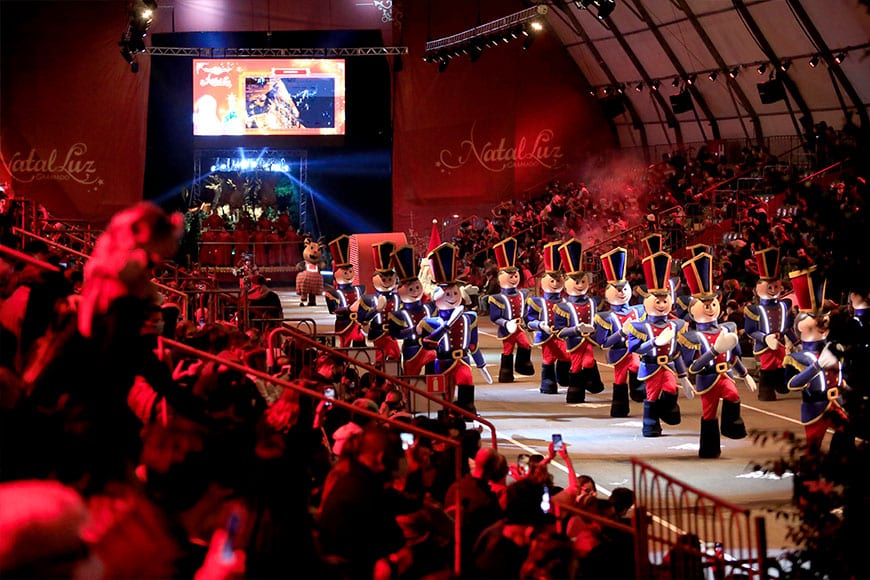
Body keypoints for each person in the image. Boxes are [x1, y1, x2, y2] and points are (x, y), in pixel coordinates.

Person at [679, 253, 757, 458]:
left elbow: (733, 357)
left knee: (733, 395)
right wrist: (713, 351)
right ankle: (709, 448)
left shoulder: (727, 328)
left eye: (713, 304)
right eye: (706, 306)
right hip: (706, 379)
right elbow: (693, 368)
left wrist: (744, 373)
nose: (712, 308)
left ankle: (732, 427)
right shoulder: (693, 336)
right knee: (709, 413)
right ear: (693, 310)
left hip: (725, 376)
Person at [625, 251, 693, 438]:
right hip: (651, 365)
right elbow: (634, 349)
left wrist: (684, 376)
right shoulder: (641, 326)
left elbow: (677, 352)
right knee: (652, 395)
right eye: (658, 301)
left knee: (671, 389)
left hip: (669, 365)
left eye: (665, 301)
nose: (662, 304)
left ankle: (666, 411)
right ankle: (650, 425)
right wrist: (654, 342)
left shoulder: (674, 324)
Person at [421, 242, 492, 415]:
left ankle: (467, 409)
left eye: (454, 293)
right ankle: (444, 414)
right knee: (443, 394)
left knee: (466, 379)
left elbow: (473, 345)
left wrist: (481, 365)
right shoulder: (431, 322)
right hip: (442, 361)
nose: (452, 297)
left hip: (462, 360)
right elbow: (427, 344)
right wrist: (445, 326)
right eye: (447, 294)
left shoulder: (470, 318)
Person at [783, 267, 849, 453]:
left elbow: (839, 378)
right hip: (814, 407)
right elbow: (791, 384)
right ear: (801, 327)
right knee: (813, 445)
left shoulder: (833, 348)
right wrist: (817, 366)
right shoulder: (797, 358)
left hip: (836, 404)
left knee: (847, 433)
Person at [594, 247, 646, 417]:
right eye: (618, 290)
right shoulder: (606, 317)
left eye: (624, 289)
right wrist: (621, 334)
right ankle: (619, 408)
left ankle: (638, 391)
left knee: (636, 366)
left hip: (635, 352)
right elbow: (603, 343)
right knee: (619, 379)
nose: (622, 293)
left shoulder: (637, 311)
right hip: (618, 353)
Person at [553, 239, 603, 403]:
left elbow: (596, 321)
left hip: (588, 341)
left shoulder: (591, 302)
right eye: (577, 282)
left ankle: (591, 383)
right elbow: (560, 331)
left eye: (583, 281)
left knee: (588, 362)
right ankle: (575, 393)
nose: (580, 285)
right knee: (575, 366)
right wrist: (576, 330)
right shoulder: (563, 306)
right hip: (574, 342)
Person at [743, 247, 796, 401]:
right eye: (769, 287)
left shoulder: (784, 305)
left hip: (780, 342)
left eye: (775, 287)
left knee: (781, 364)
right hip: (765, 344)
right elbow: (750, 330)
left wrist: (793, 339)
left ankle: (780, 385)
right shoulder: (754, 309)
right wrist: (765, 338)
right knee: (768, 366)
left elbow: (788, 324)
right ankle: (766, 391)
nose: (773, 290)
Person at [487, 237, 535, 383]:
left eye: (515, 275)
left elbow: (525, 311)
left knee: (526, 345)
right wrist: (506, 324)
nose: (514, 278)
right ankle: (506, 373)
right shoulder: (498, 298)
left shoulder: (522, 294)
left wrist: (529, 322)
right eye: (510, 276)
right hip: (507, 330)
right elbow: (494, 317)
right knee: (507, 350)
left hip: (519, 327)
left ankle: (522, 366)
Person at [526, 241, 571, 394]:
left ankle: (563, 376)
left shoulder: (566, 302)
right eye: (552, 280)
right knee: (548, 357)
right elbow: (529, 321)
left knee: (566, 356)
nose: (555, 283)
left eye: (558, 280)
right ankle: (548, 381)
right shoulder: (538, 302)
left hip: (563, 336)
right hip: (547, 336)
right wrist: (540, 325)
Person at [388, 244, 437, 376]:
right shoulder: (399, 314)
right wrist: (413, 330)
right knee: (411, 377)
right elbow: (395, 334)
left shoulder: (429, 307)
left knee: (432, 372)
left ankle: (432, 393)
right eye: (411, 289)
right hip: (411, 348)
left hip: (429, 348)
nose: (415, 292)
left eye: (417, 287)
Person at [359, 241, 401, 364]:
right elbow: (362, 319)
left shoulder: (397, 298)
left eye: (389, 278)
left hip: (393, 334)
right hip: (377, 334)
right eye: (383, 279)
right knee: (380, 358)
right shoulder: (369, 299)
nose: (387, 281)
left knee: (395, 356)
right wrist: (375, 310)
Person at [323, 235, 366, 347]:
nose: (348, 275)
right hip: (343, 325)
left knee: (360, 345)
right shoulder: (332, 293)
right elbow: (333, 310)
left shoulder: (359, 289)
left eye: (350, 271)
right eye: (345, 272)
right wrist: (348, 309)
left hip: (357, 324)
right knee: (344, 347)